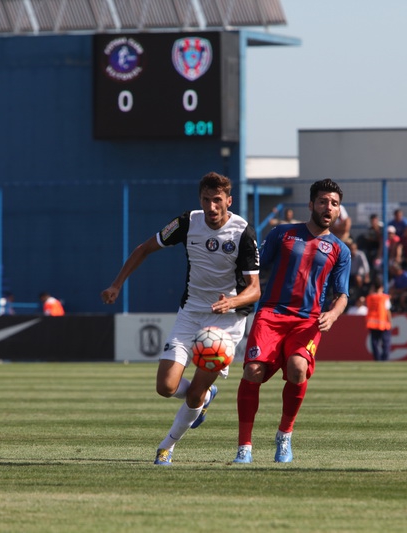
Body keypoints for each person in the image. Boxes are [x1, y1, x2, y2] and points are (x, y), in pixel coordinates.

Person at [101, 172, 261, 466]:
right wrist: (116, 284)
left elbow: (254, 290)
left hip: (226, 322)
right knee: (165, 387)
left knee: (193, 393)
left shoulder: (243, 233)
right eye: (206, 200)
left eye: (217, 200)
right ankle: (205, 397)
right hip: (190, 313)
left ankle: (167, 446)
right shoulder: (187, 222)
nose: (211, 207)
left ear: (229, 201)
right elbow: (144, 248)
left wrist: (232, 301)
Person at [233, 179, 350, 464]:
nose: (328, 207)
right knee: (253, 370)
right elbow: (255, 270)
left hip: (307, 321)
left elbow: (343, 294)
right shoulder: (282, 234)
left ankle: (284, 436)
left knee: (298, 369)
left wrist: (333, 315)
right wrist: (240, 296)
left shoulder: (340, 250)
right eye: (323, 201)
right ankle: (244, 447)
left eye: (334, 204)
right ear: (311, 205)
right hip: (271, 314)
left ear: (338, 211)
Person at [365, 279, 392, 361]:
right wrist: (390, 321)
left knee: (374, 343)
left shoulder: (369, 297)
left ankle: (377, 359)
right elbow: (387, 310)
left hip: (372, 323)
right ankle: (385, 359)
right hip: (383, 323)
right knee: (386, 343)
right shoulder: (384, 298)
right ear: (381, 287)